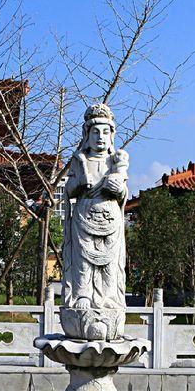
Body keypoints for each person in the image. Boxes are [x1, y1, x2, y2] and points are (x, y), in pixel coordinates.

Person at [60, 103, 129, 341]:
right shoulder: (79, 160)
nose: (100, 137)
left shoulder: (116, 162)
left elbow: (124, 193)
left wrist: (120, 189)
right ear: (86, 135)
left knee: (110, 263)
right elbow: (68, 191)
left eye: (106, 132)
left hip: (110, 217)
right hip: (84, 214)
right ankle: (82, 296)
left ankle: (109, 297)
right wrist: (78, 183)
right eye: (95, 132)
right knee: (83, 262)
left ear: (112, 136)